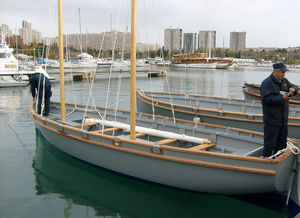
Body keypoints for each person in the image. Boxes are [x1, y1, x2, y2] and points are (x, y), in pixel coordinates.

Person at [260, 62, 298, 157]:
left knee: (281, 144)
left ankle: (277, 161)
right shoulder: (266, 83)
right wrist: (281, 98)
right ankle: (266, 161)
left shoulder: (284, 81)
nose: (283, 74)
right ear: (276, 71)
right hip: (272, 120)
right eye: (282, 72)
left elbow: (294, 87)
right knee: (270, 144)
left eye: (284, 72)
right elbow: (266, 99)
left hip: (283, 120)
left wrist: (293, 90)